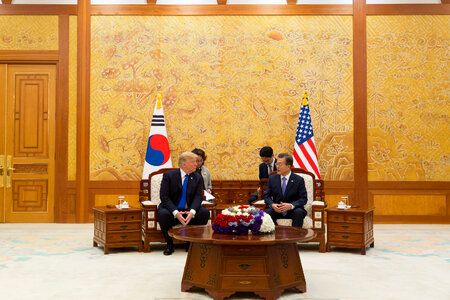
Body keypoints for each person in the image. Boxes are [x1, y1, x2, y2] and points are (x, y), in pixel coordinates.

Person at [157, 151, 210, 255]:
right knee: (163, 214)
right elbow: (164, 197)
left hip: (188, 210)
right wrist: (176, 212)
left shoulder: (197, 177)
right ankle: (169, 244)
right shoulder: (169, 176)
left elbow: (198, 197)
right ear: (183, 164)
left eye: (196, 162)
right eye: (193, 162)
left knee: (204, 212)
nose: (196, 164)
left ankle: (190, 243)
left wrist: (192, 212)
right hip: (172, 209)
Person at [263, 153, 307, 227]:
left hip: (292, 210)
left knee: (299, 212)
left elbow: (303, 199)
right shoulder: (272, 179)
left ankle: (296, 235)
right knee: (267, 212)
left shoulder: (299, 180)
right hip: (277, 209)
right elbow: (266, 196)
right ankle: (276, 235)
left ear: (288, 166)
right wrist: (272, 205)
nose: (277, 167)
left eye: (280, 164)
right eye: (276, 164)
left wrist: (291, 205)